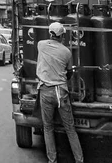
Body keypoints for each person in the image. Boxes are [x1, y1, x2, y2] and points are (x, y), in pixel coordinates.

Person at [36, 22, 84, 163]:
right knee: (70, 128)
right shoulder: (67, 52)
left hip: (46, 90)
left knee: (48, 127)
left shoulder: (41, 45)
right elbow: (69, 73)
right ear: (62, 35)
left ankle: (52, 160)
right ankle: (79, 159)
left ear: (50, 33)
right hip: (61, 92)